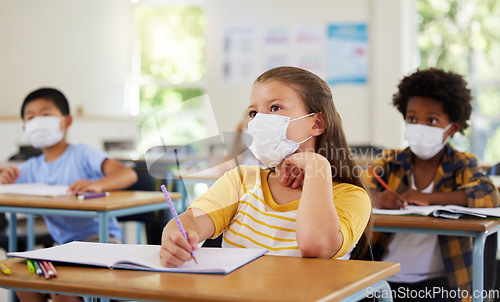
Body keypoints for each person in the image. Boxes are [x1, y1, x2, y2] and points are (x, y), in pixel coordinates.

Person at [159, 66, 372, 267]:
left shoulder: (352, 196)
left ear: (316, 123)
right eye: (253, 113)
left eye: (275, 107)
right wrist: (177, 235)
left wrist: (318, 167)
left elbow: (315, 247)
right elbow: (191, 222)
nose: (260, 120)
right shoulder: (241, 181)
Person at [365, 68, 499, 301]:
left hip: (440, 283)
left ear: (453, 128)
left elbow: (490, 195)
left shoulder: (462, 164)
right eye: (412, 119)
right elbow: (357, 190)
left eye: (432, 120)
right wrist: (377, 198)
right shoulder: (391, 162)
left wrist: (430, 198)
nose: (420, 127)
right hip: (383, 278)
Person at [0, 87, 138, 302]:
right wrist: (4, 177)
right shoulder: (31, 167)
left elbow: (127, 174)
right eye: (31, 117)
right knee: (18, 277)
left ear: (67, 121)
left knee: (60, 289)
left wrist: (98, 184)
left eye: (46, 115)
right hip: (62, 248)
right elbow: (7, 185)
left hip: (101, 243)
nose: (38, 122)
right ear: (25, 127)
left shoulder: (83, 154)